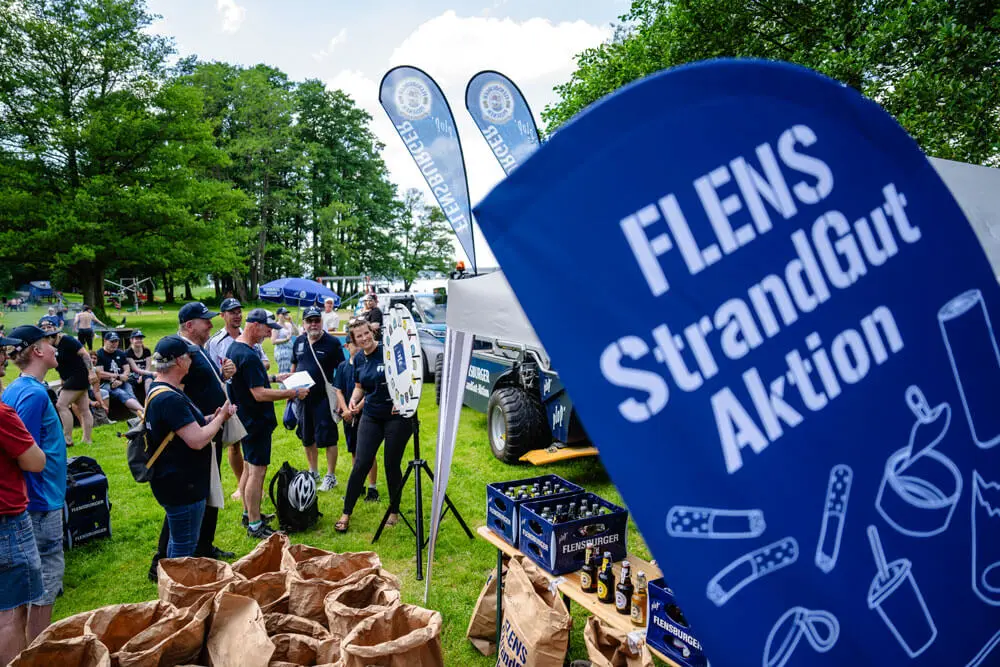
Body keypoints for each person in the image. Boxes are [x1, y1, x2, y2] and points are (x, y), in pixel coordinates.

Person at [149, 303, 239, 579]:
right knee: (185, 509)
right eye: (205, 321)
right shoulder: (180, 355)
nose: (211, 324)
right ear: (189, 325)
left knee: (204, 497)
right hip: (190, 446)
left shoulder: (198, 350)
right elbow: (177, 394)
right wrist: (214, 418)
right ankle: (167, 563)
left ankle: (201, 548)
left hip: (202, 433)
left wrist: (224, 375)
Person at [2, 325, 67, 644]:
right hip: (40, 503)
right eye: (49, 343)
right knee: (45, 582)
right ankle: (38, 650)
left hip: (39, 499)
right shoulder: (31, 392)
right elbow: (23, 454)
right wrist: (38, 498)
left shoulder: (22, 388)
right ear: (38, 352)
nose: (56, 347)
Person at [229, 309, 308, 539]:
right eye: (266, 328)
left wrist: (275, 378)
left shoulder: (236, 348)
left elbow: (247, 381)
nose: (267, 333)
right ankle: (254, 524)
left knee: (247, 467)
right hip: (256, 421)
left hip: (245, 419)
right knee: (257, 472)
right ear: (254, 325)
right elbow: (259, 394)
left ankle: (248, 513)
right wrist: (292, 392)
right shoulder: (249, 355)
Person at [335, 319, 411, 533]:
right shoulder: (358, 358)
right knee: (361, 463)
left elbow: (410, 378)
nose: (364, 338)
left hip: (396, 416)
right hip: (371, 415)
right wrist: (353, 398)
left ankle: (394, 511)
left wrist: (403, 402)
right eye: (359, 336)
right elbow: (360, 386)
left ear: (372, 332)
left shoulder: (389, 352)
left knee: (391, 464)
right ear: (354, 340)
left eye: (366, 333)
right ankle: (346, 513)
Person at [0, 335, 47, 666]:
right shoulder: (3, 413)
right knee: (10, 615)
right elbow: (35, 461)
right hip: (6, 521)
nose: (5, 359)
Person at [207, 298, 270, 500]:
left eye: (238, 311)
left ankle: (250, 487)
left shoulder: (249, 336)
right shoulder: (215, 342)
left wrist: (254, 367)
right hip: (226, 395)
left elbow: (265, 361)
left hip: (247, 393)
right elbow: (210, 373)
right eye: (231, 312)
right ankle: (240, 484)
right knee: (234, 442)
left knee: (249, 444)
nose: (236, 315)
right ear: (222, 315)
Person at [290, 305, 345, 492]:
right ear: (304, 323)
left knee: (329, 438)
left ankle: (331, 476)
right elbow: (294, 365)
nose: (313, 324)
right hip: (303, 399)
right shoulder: (298, 341)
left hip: (324, 398)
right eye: (309, 321)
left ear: (321, 321)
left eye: (316, 320)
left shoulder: (332, 343)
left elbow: (342, 370)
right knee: (307, 438)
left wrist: (339, 397)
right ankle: (313, 472)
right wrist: (291, 391)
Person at [334, 321, 378, 501]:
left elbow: (370, 390)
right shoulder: (344, 366)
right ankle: (357, 483)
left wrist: (358, 408)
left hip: (366, 414)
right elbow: (339, 390)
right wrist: (346, 409)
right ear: (348, 345)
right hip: (348, 416)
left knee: (369, 452)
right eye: (354, 342)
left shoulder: (367, 362)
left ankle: (372, 486)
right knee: (355, 451)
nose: (358, 345)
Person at [38, 317, 98, 447]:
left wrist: (91, 372)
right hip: (70, 378)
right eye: (43, 328)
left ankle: (67, 439)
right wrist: (62, 382)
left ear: (56, 328)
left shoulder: (68, 340)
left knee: (61, 405)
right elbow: (61, 367)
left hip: (79, 376)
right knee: (84, 409)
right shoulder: (49, 346)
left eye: (49, 326)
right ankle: (87, 440)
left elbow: (85, 355)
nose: (47, 329)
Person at [95, 332, 143, 416]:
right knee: (121, 393)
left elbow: (127, 369)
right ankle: (143, 411)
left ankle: (141, 416)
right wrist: (117, 377)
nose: (114, 344)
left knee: (130, 393)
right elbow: (100, 373)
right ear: (105, 341)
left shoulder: (120, 353)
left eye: (116, 341)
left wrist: (121, 380)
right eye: (112, 341)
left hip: (121, 381)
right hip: (105, 384)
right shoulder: (99, 354)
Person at [125, 330, 154, 399]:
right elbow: (135, 369)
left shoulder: (147, 351)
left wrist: (142, 375)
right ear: (131, 340)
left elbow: (148, 367)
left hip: (144, 374)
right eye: (136, 338)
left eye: (140, 338)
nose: (139, 340)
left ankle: (149, 399)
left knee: (149, 379)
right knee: (130, 383)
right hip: (132, 376)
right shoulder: (128, 352)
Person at [271, 307, 297, 374]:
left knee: (292, 371)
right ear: (278, 315)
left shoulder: (288, 325)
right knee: (284, 372)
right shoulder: (276, 326)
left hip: (290, 350)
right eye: (283, 314)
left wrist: (291, 322)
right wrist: (286, 339)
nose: (285, 316)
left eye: (286, 314)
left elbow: (297, 333)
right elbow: (273, 341)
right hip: (282, 351)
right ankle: (282, 384)